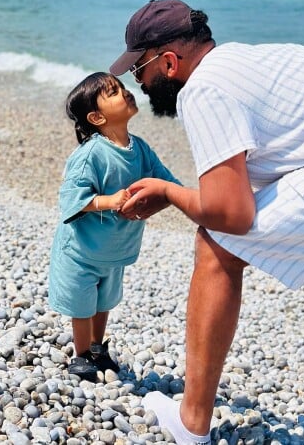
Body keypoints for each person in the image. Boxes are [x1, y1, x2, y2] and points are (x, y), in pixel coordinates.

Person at [109, 0, 304, 445]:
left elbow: (231, 214)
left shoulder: (204, 88)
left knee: (218, 245)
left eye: (140, 71)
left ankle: (191, 424)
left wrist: (169, 192)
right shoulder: (246, 62)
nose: (140, 84)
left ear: (168, 62)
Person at [48, 71, 180, 382]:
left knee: (104, 301)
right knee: (82, 304)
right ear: (95, 117)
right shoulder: (92, 153)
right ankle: (81, 357)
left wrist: (178, 196)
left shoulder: (140, 148)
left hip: (114, 249)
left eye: (121, 87)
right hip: (81, 250)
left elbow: (164, 180)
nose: (125, 92)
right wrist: (108, 201)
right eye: (113, 92)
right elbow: (71, 196)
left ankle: (97, 347)